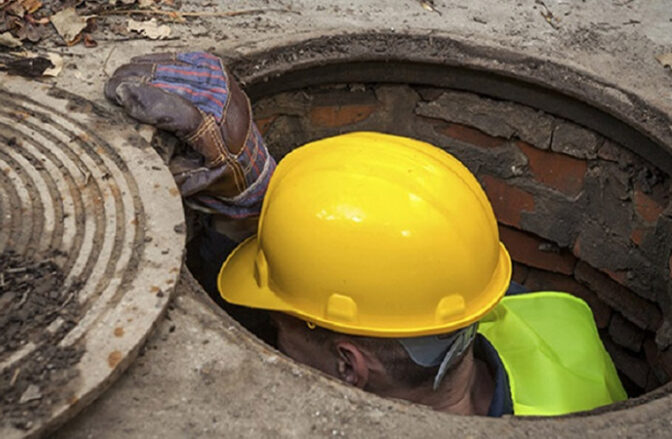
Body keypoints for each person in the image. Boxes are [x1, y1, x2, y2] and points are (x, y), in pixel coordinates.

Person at [105, 52, 628, 417]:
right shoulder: (561, 322)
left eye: (280, 322)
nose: (270, 327)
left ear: (349, 366)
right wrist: (250, 213)